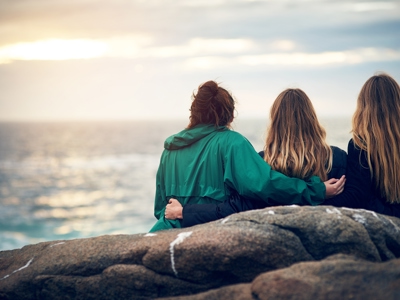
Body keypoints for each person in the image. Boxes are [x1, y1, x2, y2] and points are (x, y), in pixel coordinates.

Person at [149, 81, 345, 232]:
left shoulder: (170, 150)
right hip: (208, 234)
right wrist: (315, 190)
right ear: (231, 116)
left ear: (193, 113)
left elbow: (160, 210)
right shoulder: (232, 143)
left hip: (163, 234)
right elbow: (266, 185)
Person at [324, 73, 400, 217]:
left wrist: (316, 203)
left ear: (364, 106)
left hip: (384, 223)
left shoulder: (361, 145)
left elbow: (358, 196)